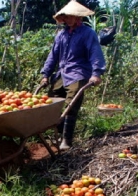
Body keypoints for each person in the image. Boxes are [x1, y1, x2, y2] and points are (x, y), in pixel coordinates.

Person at [40, 0, 106, 150]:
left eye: (69, 16)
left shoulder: (88, 34)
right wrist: (46, 74)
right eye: (65, 17)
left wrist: (96, 73)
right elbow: (53, 56)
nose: (66, 19)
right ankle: (55, 135)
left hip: (79, 73)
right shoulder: (61, 35)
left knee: (71, 104)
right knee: (51, 102)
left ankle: (66, 140)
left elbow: (95, 53)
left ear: (78, 17)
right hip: (62, 74)